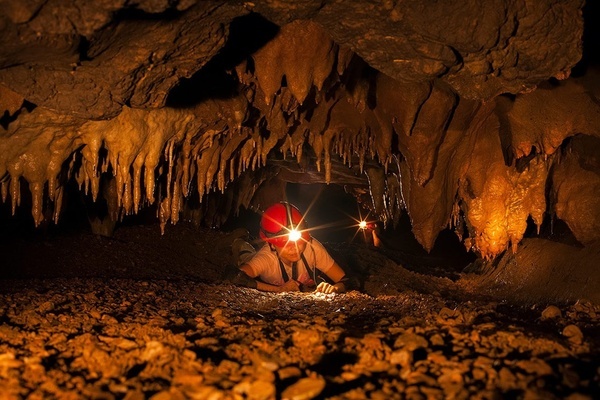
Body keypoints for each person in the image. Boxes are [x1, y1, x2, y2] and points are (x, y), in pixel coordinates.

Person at [232, 202, 349, 293]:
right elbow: (236, 276)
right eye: (285, 244)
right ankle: (241, 241)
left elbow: (345, 280)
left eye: (298, 242)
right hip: (253, 258)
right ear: (272, 244)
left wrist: (334, 288)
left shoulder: (312, 247)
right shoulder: (266, 258)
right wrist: (278, 290)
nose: (295, 248)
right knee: (246, 254)